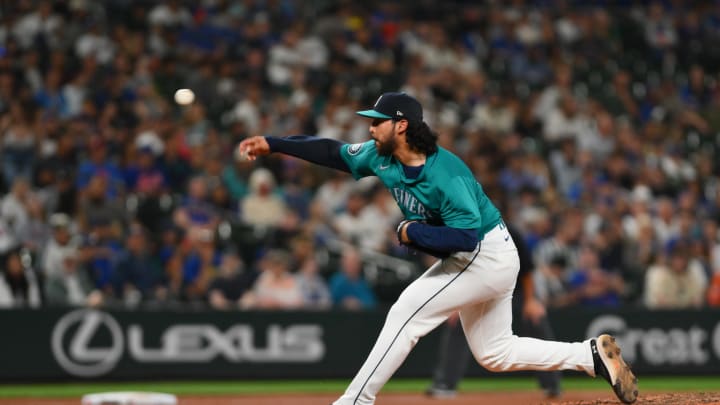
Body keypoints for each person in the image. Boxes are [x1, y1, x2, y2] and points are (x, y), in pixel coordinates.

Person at [238, 92, 638, 405]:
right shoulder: (382, 157)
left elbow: (466, 238)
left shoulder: (445, 174)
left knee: (406, 311)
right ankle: (589, 356)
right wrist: (274, 144)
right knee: (494, 353)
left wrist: (414, 232)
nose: (370, 128)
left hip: (485, 254)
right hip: (481, 256)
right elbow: (332, 152)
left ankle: (354, 400)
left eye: (378, 122)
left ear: (402, 125)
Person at [425, 224, 561, 399]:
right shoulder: (464, 234)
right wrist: (456, 305)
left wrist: (530, 301)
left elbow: (527, 270)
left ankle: (552, 384)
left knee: (536, 319)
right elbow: (460, 274)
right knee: (457, 321)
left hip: (513, 292)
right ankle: (445, 384)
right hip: (480, 292)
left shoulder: (511, 232)